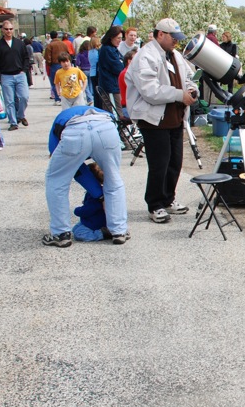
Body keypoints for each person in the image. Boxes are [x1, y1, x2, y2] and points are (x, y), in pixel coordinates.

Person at [125, 17, 199, 223]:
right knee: (159, 163)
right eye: (173, 37)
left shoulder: (175, 55)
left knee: (175, 162)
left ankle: (168, 198)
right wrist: (179, 94)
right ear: (160, 34)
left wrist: (192, 90)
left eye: (178, 37)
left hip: (174, 117)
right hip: (153, 120)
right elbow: (150, 91)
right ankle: (155, 204)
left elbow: (189, 78)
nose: (176, 41)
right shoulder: (145, 56)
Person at [43, 105, 128, 247]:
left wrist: (98, 194)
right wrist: (100, 195)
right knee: (113, 179)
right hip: (106, 126)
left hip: (74, 129)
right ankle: (119, 231)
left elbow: (76, 170)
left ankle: (60, 233)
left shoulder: (58, 122)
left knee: (56, 180)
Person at [0, 20, 31, 130]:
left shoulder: (19, 43)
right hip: (6, 76)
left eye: (10, 29)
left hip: (20, 74)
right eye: (6, 29)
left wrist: (24, 70)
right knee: (9, 101)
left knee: (24, 97)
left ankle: (20, 115)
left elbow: (26, 58)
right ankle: (13, 122)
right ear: (2, 30)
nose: (8, 31)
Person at [98, 26, 125, 101]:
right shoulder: (107, 50)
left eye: (121, 38)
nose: (120, 41)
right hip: (110, 87)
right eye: (118, 38)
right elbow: (119, 68)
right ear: (111, 37)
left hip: (114, 85)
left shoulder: (113, 48)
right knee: (115, 108)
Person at [43, 31, 71, 103]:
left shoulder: (50, 45)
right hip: (64, 63)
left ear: (51, 36)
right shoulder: (63, 44)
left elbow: (47, 56)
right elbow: (68, 53)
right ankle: (67, 97)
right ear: (57, 35)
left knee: (55, 82)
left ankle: (57, 99)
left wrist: (49, 64)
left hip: (54, 64)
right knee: (66, 81)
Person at [87, 35, 101, 107]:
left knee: (95, 92)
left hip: (92, 72)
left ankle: (96, 105)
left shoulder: (90, 52)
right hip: (97, 72)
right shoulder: (97, 52)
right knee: (99, 92)